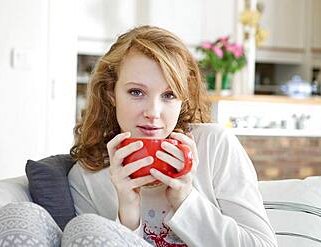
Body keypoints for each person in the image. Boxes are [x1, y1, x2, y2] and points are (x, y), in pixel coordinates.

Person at [68, 25, 278, 247]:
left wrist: (185, 199)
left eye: (169, 95)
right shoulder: (86, 177)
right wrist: (127, 214)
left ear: (183, 100)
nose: (153, 112)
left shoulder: (214, 146)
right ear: (111, 93)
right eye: (136, 92)